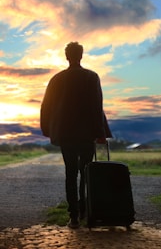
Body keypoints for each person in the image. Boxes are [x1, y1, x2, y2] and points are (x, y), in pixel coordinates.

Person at [40, 42, 112, 229]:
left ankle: (73, 218)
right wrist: (101, 133)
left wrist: (48, 129)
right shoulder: (91, 77)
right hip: (87, 134)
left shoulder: (57, 79)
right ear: (81, 55)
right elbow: (97, 106)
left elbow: (46, 106)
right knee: (86, 173)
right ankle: (85, 212)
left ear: (66, 56)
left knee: (70, 174)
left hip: (66, 135)